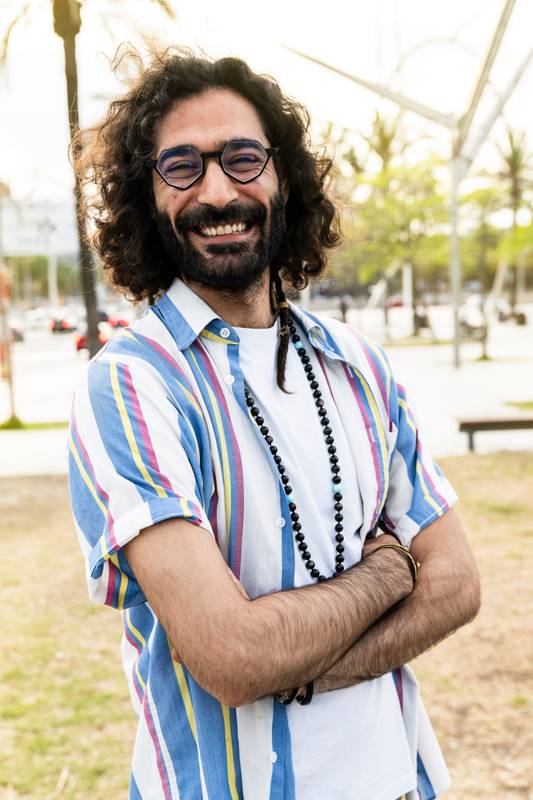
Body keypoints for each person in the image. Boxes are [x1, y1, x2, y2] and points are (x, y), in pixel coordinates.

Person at [68, 49, 480, 800]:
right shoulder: (130, 385)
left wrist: (299, 663)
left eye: (243, 158)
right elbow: (229, 657)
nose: (217, 191)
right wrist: (389, 573)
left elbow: (455, 583)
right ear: (144, 196)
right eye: (181, 167)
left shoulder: (357, 363)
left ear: (283, 176)